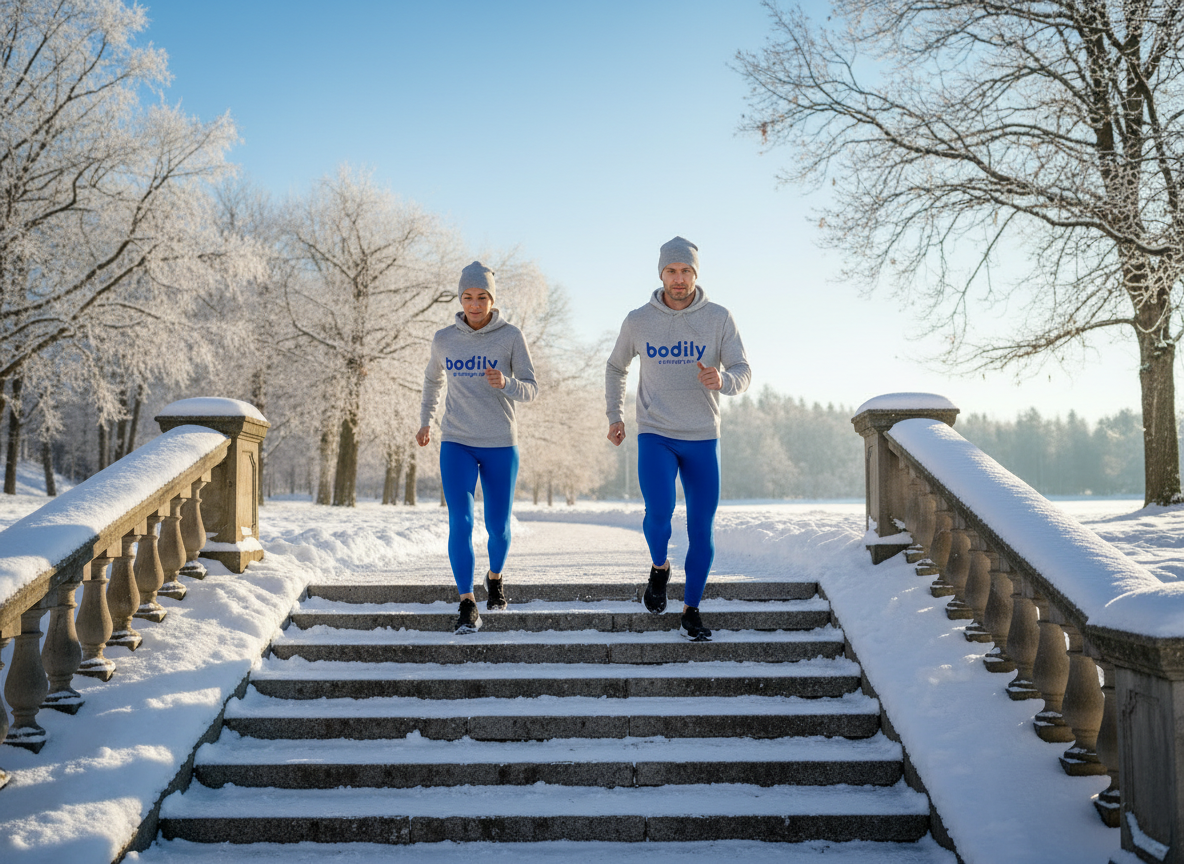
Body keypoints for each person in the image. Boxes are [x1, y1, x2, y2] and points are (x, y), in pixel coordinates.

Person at [605, 237, 750, 641]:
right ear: (661, 274)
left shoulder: (719, 318)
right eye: (671, 271)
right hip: (655, 432)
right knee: (659, 514)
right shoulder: (638, 320)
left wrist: (724, 380)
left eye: (686, 271)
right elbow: (615, 367)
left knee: (702, 527)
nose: (679, 278)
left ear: (696, 274)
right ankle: (659, 567)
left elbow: (743, 369)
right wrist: (615, 415)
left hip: (703, 436)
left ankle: (691, 609)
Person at [417, 261, 537, 634]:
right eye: (467, 296)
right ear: (460, 298)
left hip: (501, 442)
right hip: (457, 441)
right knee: (461, 521)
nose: (474, 304)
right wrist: (425, 420)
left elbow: (531, 387)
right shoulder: (444, 339)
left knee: (498, 527)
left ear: (492, 299)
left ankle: (495, 577)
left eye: (482, 297)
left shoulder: (511, 337)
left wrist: (507, 383)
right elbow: (433, 381)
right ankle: (467, 601)